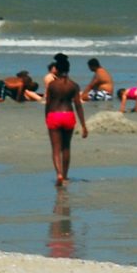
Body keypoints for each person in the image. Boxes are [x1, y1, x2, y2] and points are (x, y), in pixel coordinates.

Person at [43, 53, 88, 186]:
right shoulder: (74, 85)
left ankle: (59, 174)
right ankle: (66, 175)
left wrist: (47, 118)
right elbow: (78, 105)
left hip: (54, 115)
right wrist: (83, 125)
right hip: (68, 115)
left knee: (55, 148)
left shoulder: (52, 85)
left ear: (56, 69)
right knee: (66, 147)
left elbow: (48, 103)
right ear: (68, 69)